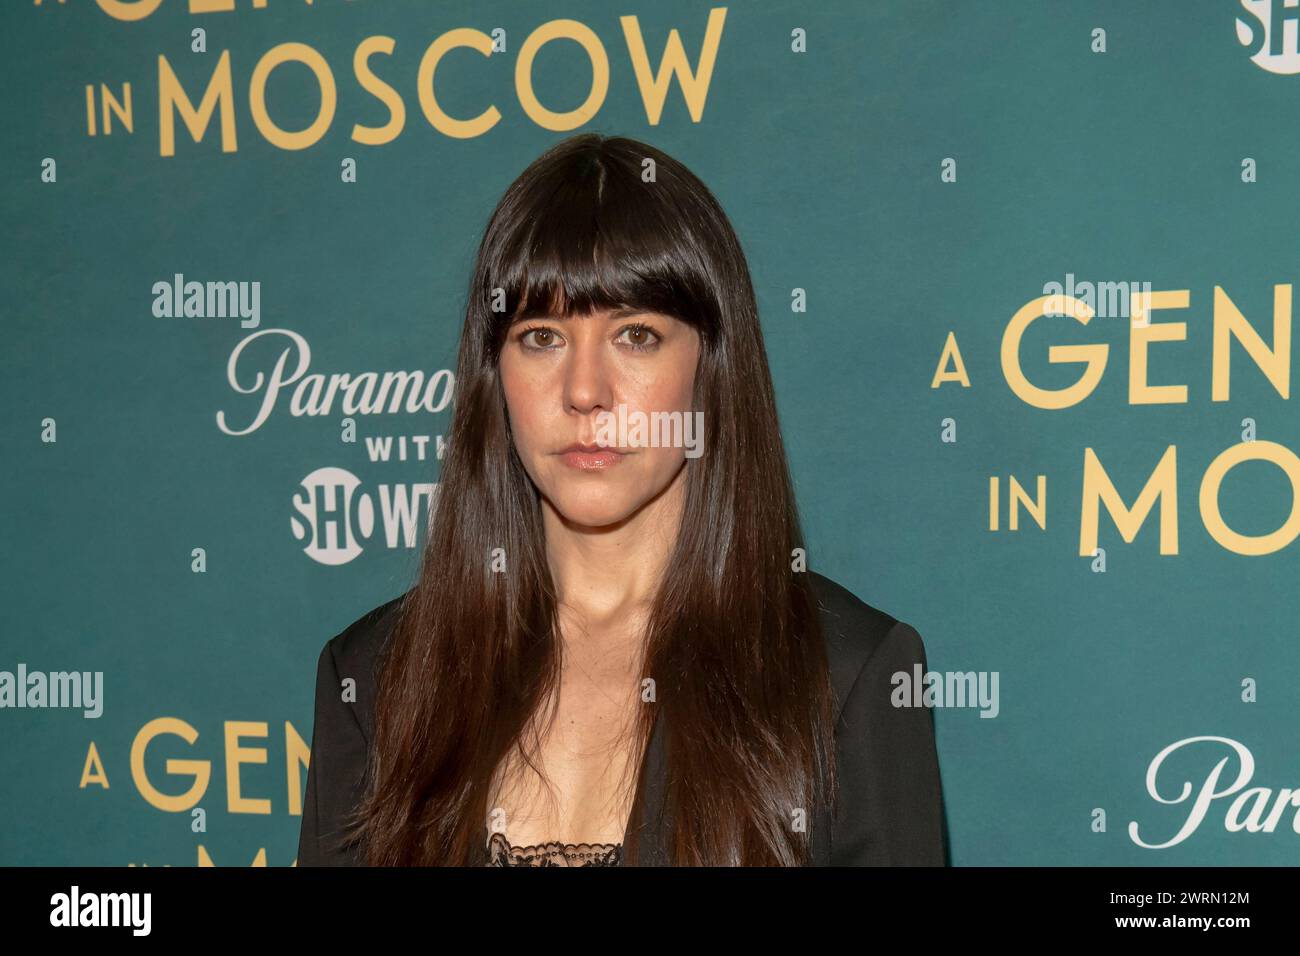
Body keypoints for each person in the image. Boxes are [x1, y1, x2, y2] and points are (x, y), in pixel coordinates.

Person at [298, 133, 947, 867]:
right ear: (494, 377)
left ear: (711, 368)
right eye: (541, 337)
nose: (584, 392)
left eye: (636, 336)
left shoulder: (847, 676)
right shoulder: (374, 678)